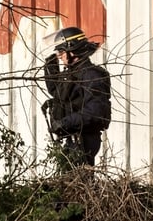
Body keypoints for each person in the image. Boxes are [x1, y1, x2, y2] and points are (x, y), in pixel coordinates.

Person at [43, 27, 111, 166]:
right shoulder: (74, 73)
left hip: (84, 139)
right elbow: (59, 93)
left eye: (61, 52)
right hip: (72, 139)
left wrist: (65, 122)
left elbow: (95, 112)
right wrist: (50, 69)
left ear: (72, 50)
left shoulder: (91, 75)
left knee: (78, 183)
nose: (60, 56)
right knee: (68, 183)